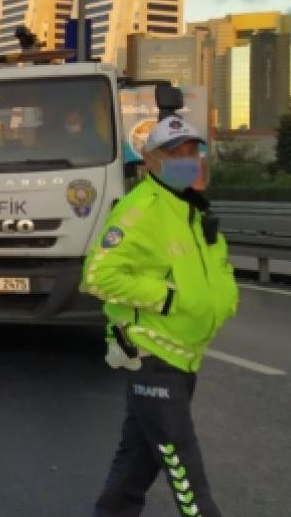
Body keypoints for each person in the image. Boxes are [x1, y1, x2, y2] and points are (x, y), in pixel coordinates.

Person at [82, 115, 238, 517]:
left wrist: (224, 300)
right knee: (185, 471)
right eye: (175, 153)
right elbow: (99, 276)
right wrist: (166, 300)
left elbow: (213, 271)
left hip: (183, 353)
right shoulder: (141, 211)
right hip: (152, 353)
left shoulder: (191, 209)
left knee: (136, 462)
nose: (188, 160)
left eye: (192, 151)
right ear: (150, 160)